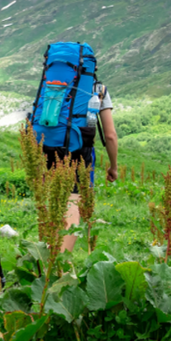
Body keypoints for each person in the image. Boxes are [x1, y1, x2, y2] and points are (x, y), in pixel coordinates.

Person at [50, 84, 118, 252]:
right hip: (79, 149)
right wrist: (113, 166)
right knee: (72, 205)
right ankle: (59, 265)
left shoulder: (52, 80)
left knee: (55, 206)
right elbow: (110, 135)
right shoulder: (98, 89)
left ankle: (47, 256)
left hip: (49, 146)